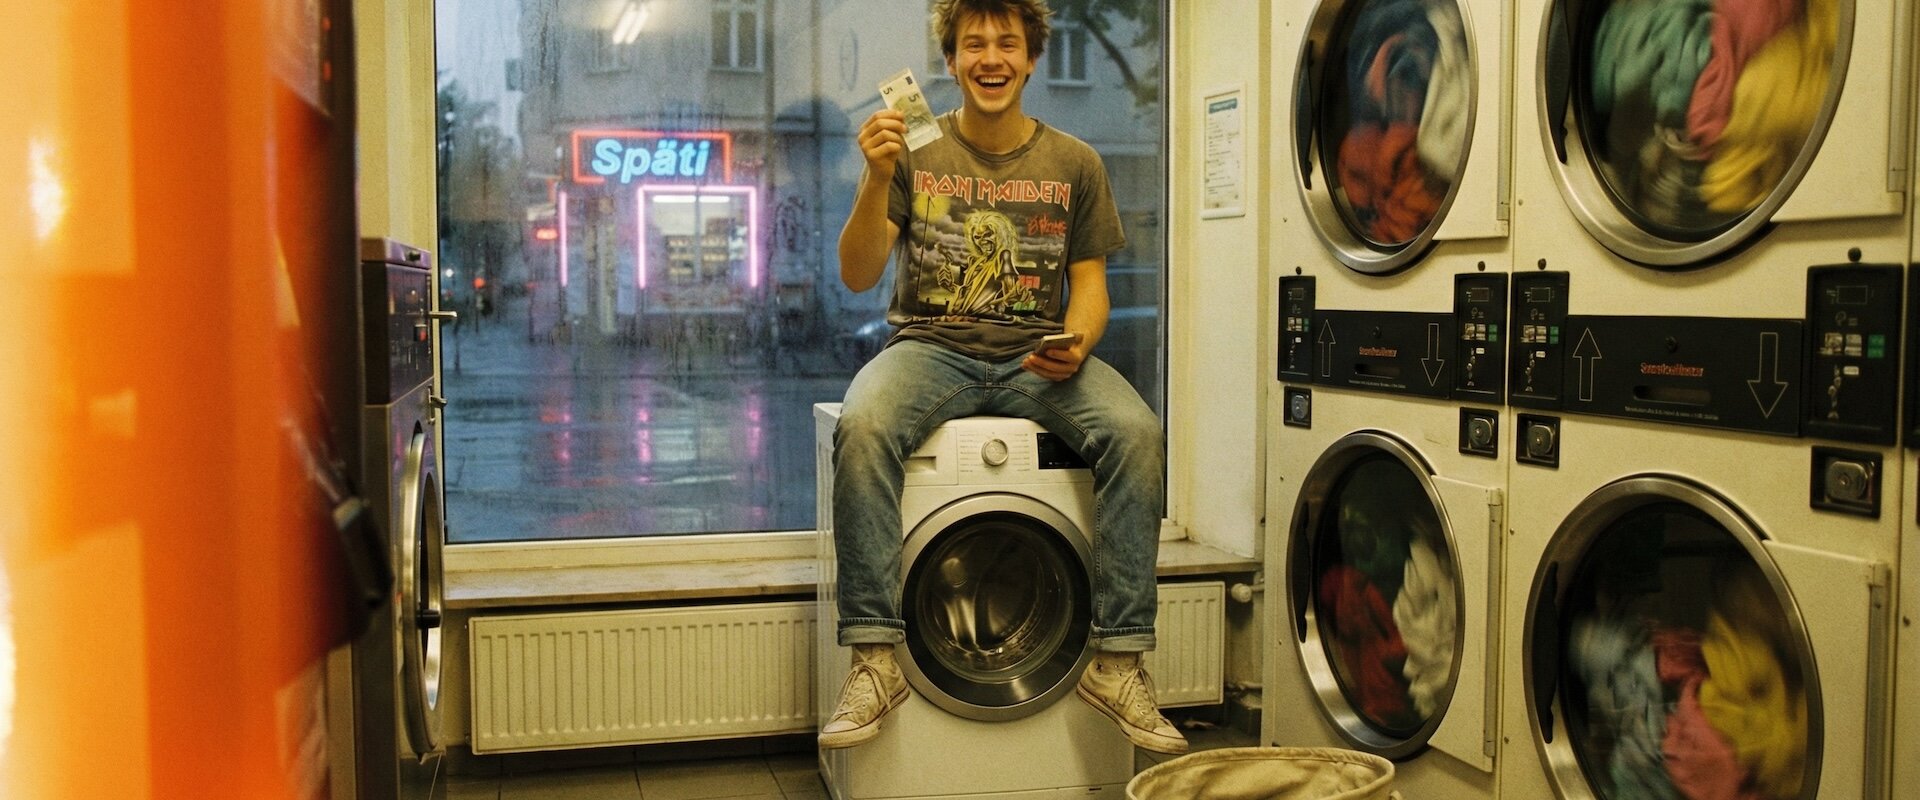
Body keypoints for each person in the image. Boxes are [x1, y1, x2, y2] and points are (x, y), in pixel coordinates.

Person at [820, 0, 1186, 756]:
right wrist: (875, 174)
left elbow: (1091, 287)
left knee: (1137, 434)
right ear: (951, 62)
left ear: (1031, 58)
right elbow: (857, 273)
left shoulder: (1076, 162)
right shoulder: (914, 151)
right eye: (974, 43)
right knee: (862, 428)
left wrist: (1079, 340)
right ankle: (876, 659)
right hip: (929, 349)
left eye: (1007, 43)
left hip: (1037, 358)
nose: (991, 57)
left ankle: (1118, 662)